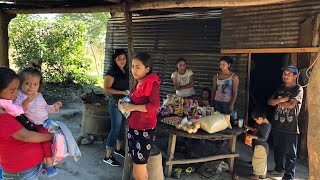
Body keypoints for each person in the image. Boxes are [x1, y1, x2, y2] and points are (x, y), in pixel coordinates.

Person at [0, 67, 54, 180]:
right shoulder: (2, 116)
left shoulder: (8, 106)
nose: (16, 94)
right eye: (12, 90)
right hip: (21, 172)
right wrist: (53, 136)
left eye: (17, 89)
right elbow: (26, 136)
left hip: (28, 168)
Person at [13, 65, 62, 177]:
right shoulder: (19, 95)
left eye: (35, 84)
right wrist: (27, 100)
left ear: (39, 85)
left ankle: (45, 163)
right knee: (45, 141)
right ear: (20, 83)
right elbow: (18, 110)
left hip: (46, 122)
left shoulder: (39, 95)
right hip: (34, 124)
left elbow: (45, 108)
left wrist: (55, 107)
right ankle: (49, 165)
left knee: (57, 138)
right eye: (27, 83)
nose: (31, 87)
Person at [120, 53, 160, 180]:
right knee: (140, 168)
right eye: (132, 66)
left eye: (138, 67)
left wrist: (133, 107)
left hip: (144, 131)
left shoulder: (152, 83)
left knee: (138, 172)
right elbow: (136, 101)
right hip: (134, 127)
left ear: (147, 69)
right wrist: (126, 103)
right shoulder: (139, 83)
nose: (134, 70)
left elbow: (155, 106)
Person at [267, 65, 303, 180]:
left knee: (290, 154)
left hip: (290, 127)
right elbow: (269, 102)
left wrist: (276, 102)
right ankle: (278, 170)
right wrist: (282, 100)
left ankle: (288, 176)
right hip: (277, 125)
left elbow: (291, 105)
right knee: (278, 149)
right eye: (284, 74)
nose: (285, 76)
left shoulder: (298, 89)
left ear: (295, 76)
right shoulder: (280, 88)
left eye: (289, 74)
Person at [103, 49, 129, 166]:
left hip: (125, 104)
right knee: (115, 128)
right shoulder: (112, 71)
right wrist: (122, 92)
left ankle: (118, 149)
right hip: (115, 103)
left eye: (124, 58)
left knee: (122, 126)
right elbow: (106, 88)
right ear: (115, 60)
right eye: (119, 59)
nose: (122, 61)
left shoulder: (126, 71)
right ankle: (108, 156)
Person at [245, 109, 271, 180]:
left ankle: (256, 176)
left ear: (260, 118)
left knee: (258, 161)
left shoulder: (266, 126)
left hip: (261, 146)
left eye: (256, 120)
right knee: (261, 161)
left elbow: (263, 138)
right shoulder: (262, 124)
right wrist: (247, 127)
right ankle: (262, 176)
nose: (256, 122)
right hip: (259, 146)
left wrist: (253, 137)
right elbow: (256, 130)